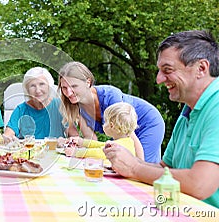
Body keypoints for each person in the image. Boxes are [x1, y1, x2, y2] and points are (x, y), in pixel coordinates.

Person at [104, 30, 219, 208]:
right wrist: (126, 162)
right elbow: (165, 169)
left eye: (167, 70)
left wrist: (135, 168)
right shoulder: (188, 113)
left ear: (201, 69)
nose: (158, 79)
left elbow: (201, 184)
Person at [58, 61, 165, 163]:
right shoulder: (78, 107)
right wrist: (74, 143)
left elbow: (131, 136)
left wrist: (140, 164)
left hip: (147, 122)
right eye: (64, 88)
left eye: (74, 86)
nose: (68, 92)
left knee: (141, 167)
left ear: (88, 82)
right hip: (127, 131)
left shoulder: (110, 97)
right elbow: (91, 140)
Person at [3, 67, 66, 140]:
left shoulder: (60, 106)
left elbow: (73, 135)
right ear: (27, 90)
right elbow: (8, 134)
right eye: (32, 86)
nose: (38, 90)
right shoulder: (21, 110)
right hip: (29, 150)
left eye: (42, 84)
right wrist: (8, 138)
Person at [65, 102, 143, 159]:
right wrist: (82, 142)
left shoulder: (118, 145)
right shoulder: (125, 141)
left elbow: (100, 152)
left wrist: (76, 152)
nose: (103, 124)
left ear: (112, 125)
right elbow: (101, 145)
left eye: (106, 121)